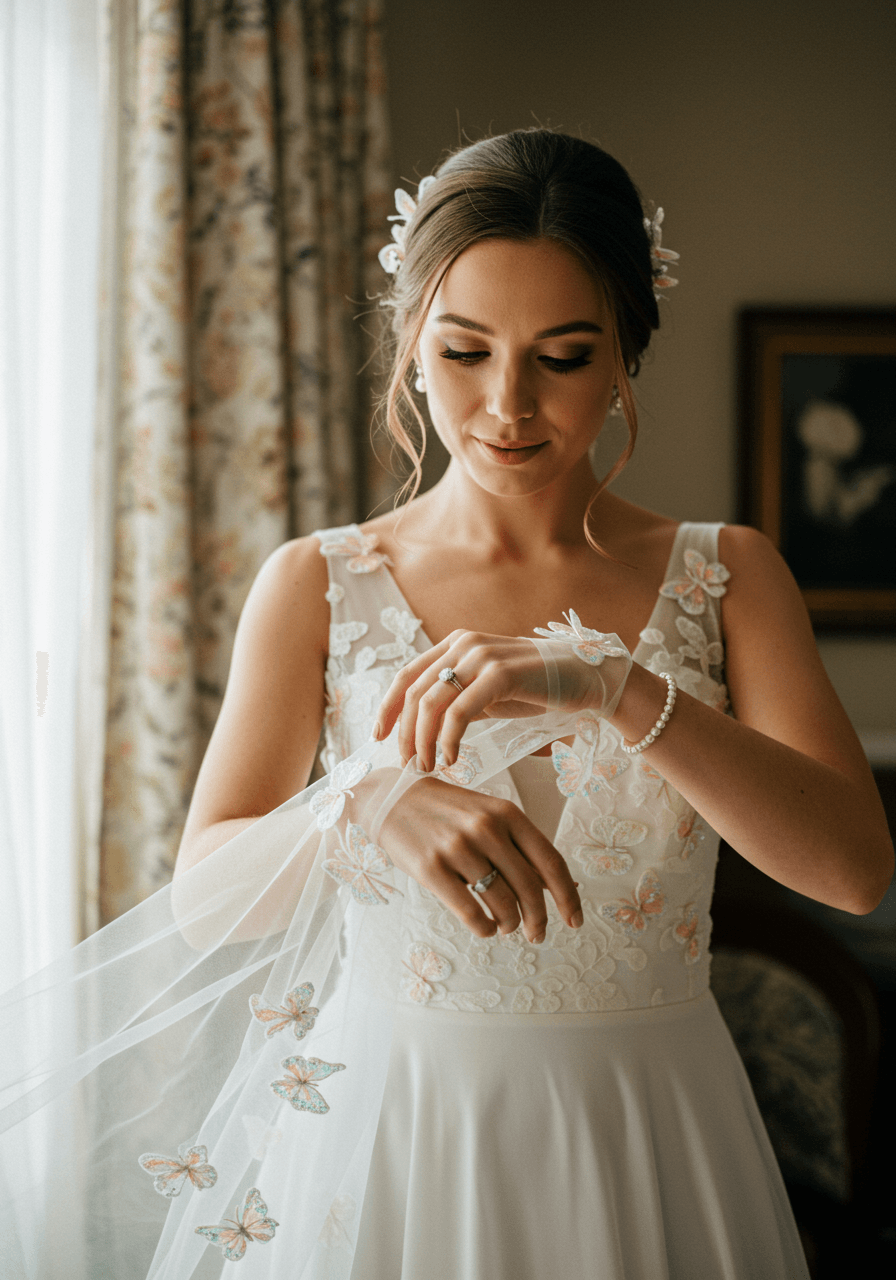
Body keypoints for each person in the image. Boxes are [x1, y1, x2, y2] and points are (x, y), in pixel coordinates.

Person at [1, 128, 892, 1280]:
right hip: (393, 1133)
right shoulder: (317, 582)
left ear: (626, 352)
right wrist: (360, 806)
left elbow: (853, 870)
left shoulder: (729, 574)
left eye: (562, 357)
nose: (506, 404)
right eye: (464, 350)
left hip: (649, 1131)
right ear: (411, 342)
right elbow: (205, 904)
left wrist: (619, 689)